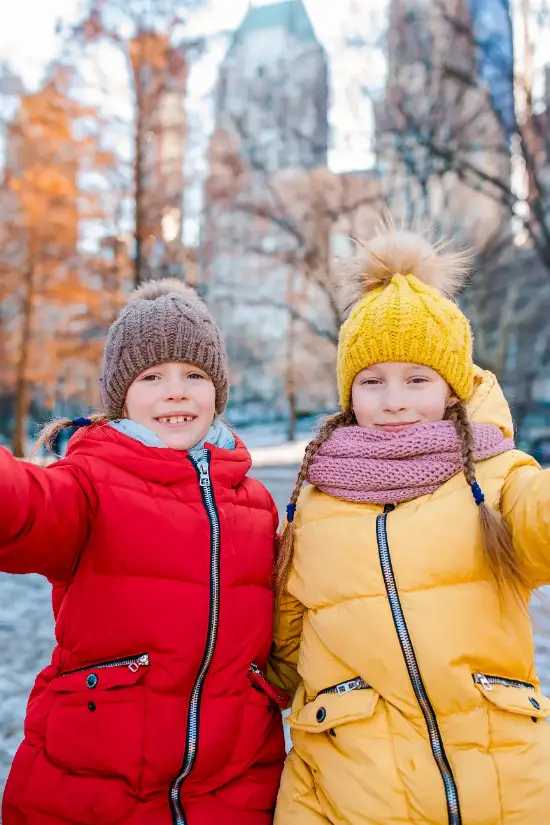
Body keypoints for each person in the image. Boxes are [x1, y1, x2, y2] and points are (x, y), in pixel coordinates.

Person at [268, 223, 550, 825]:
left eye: (417, 379)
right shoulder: (314, 502)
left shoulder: (496, 478)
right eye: (372, 382)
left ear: (453, 389)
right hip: (354, 787)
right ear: (349, 393)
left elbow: (540, 521)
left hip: (503, 780)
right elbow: (286, 645)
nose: (394, 400)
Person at [0, 279, 286, 825]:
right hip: (92, 784)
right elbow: (28, 509)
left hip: (231, 790)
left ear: (218, 390)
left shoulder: (253, 504)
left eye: (194, 375)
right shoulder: (88, 483)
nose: (175, 391)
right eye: (152, 377)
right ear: (121, 397)